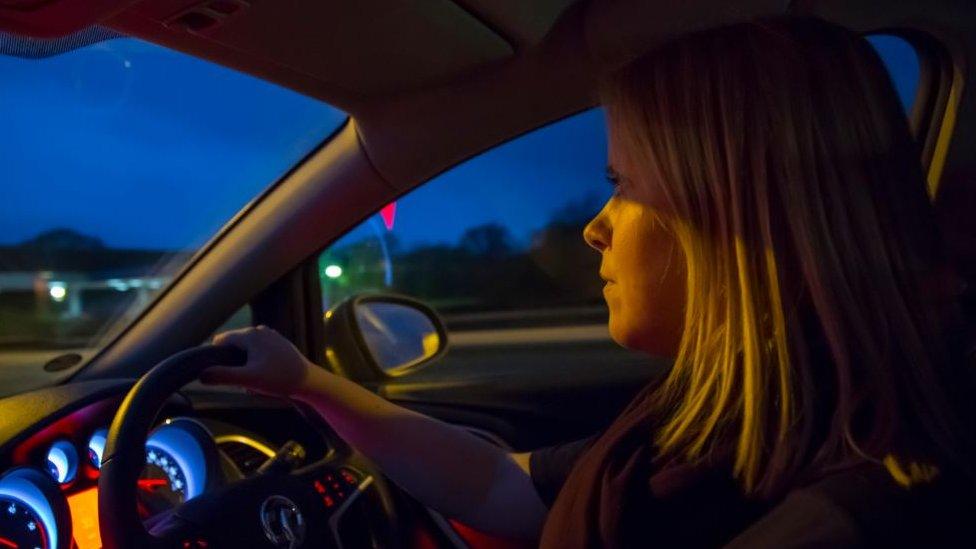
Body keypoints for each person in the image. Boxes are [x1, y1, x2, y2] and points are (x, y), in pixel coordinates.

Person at [201, 16, 976, 547]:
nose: (594, 226)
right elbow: (503, 486)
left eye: (625, 184)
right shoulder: (728, 408)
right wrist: (307, 380)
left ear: (738, 217)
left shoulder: (852, 510)